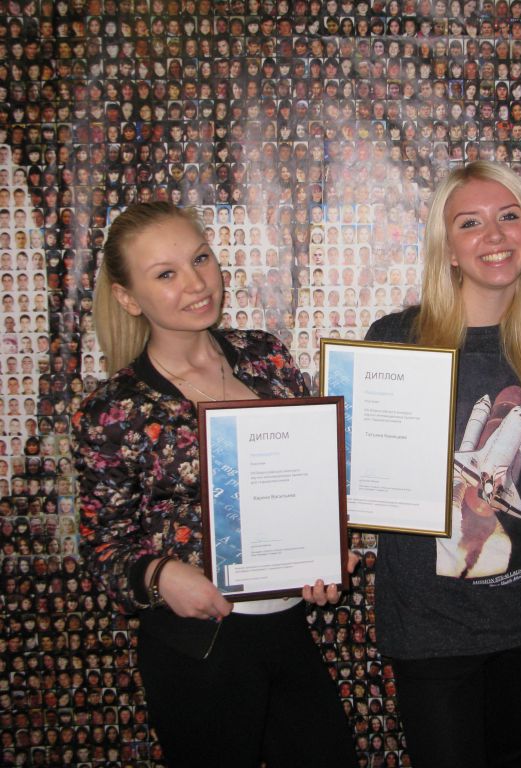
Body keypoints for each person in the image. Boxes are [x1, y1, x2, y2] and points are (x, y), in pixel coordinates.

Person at [72, 202, 358, 767]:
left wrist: (328, 548)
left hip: (288, 627)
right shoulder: (113, 410)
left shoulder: (265, 356)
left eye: (200, 258)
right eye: (166, 273)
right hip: (199, 647)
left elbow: (312, 477)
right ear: (129, 298)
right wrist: (160, 574)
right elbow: (101, 544)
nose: (197, 282)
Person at [364, 161, 521, 767]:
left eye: (509, 216)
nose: (494, 235)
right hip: (430, 628)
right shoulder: (397, 339)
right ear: (448, 249)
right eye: (470, 223)